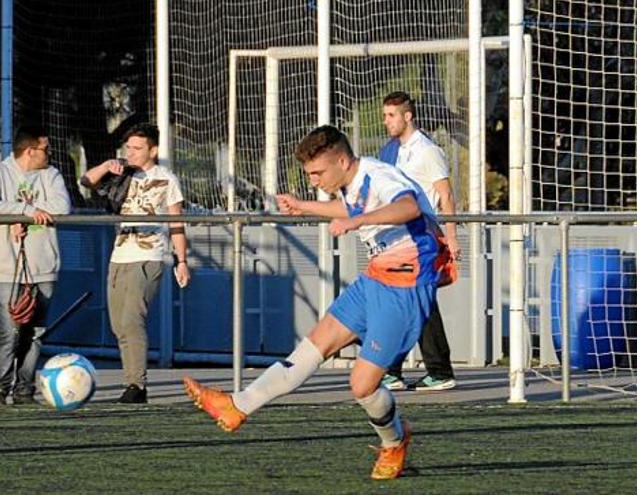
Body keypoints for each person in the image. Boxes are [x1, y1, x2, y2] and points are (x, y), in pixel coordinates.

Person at [183, 125, 450, 480]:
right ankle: (236, 406)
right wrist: (304, 206)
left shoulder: (379, 174)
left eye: (318, 173)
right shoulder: (354, 179)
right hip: (376, 275)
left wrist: (356, 222)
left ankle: (393, 442)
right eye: (309, 175)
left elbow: (408, 206)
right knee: (313, 346)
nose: (314, 180)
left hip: (405, 284)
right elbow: (349, 204)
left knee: (362, 385)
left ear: (341, 159)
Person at [81, 123, 190, 404]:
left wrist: (182, 260)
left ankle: (137, 385)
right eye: (128, 147)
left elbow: (176, 221)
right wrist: (107, 165)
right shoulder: (121, 174)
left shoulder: (166, 178)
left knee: (132, 319)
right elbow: (86, 181)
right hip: (119, 256)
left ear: (152, 150)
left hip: (148, 256)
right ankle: (130, 381)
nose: (130, 153)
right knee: (119, 325)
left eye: (137, 148)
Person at [0, 124, 71, 405]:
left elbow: (61, 206)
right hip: (7, 265)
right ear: (30, 151)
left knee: (36, 331)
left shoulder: (51, 175)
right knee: (10, 329)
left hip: (44, 264)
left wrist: (24, 217)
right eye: (45, 149)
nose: (49, 153)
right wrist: (25, 212)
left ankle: (24, 389)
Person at [377, 91, 459, 392]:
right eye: (385, 115)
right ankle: (400, 370)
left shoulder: (427, 150)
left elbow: (446, 196)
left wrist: (451, 237)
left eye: (391, 115)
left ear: (407, 116)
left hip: (421, 237)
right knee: (407, 302)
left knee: (413, 301)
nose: (386, 121)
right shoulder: (392, 151)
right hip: (399, 238)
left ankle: (436, 370)